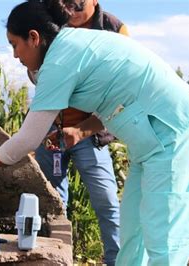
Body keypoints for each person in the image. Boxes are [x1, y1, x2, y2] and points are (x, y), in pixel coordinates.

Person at [0, 1, 189, 265]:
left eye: (14, 44)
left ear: (33, 38)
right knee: (133, 231)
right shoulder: (72, 45)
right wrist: (80, 131)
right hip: (149, 143)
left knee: (164, 237)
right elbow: (116, 96)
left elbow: (28, 138)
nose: (14, 55)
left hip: (174, 132)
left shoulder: (60, 59)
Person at [30, 1, 128, 264]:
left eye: (77, 3)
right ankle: (53, 259)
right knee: (51, 202)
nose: (69, 9)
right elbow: (34, 67)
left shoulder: (114, 29)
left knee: (106, 202)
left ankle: (116, 261)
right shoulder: (52, 22)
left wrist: (82, 131)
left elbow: (123, 87)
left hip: (91, 133)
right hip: (52, 128)